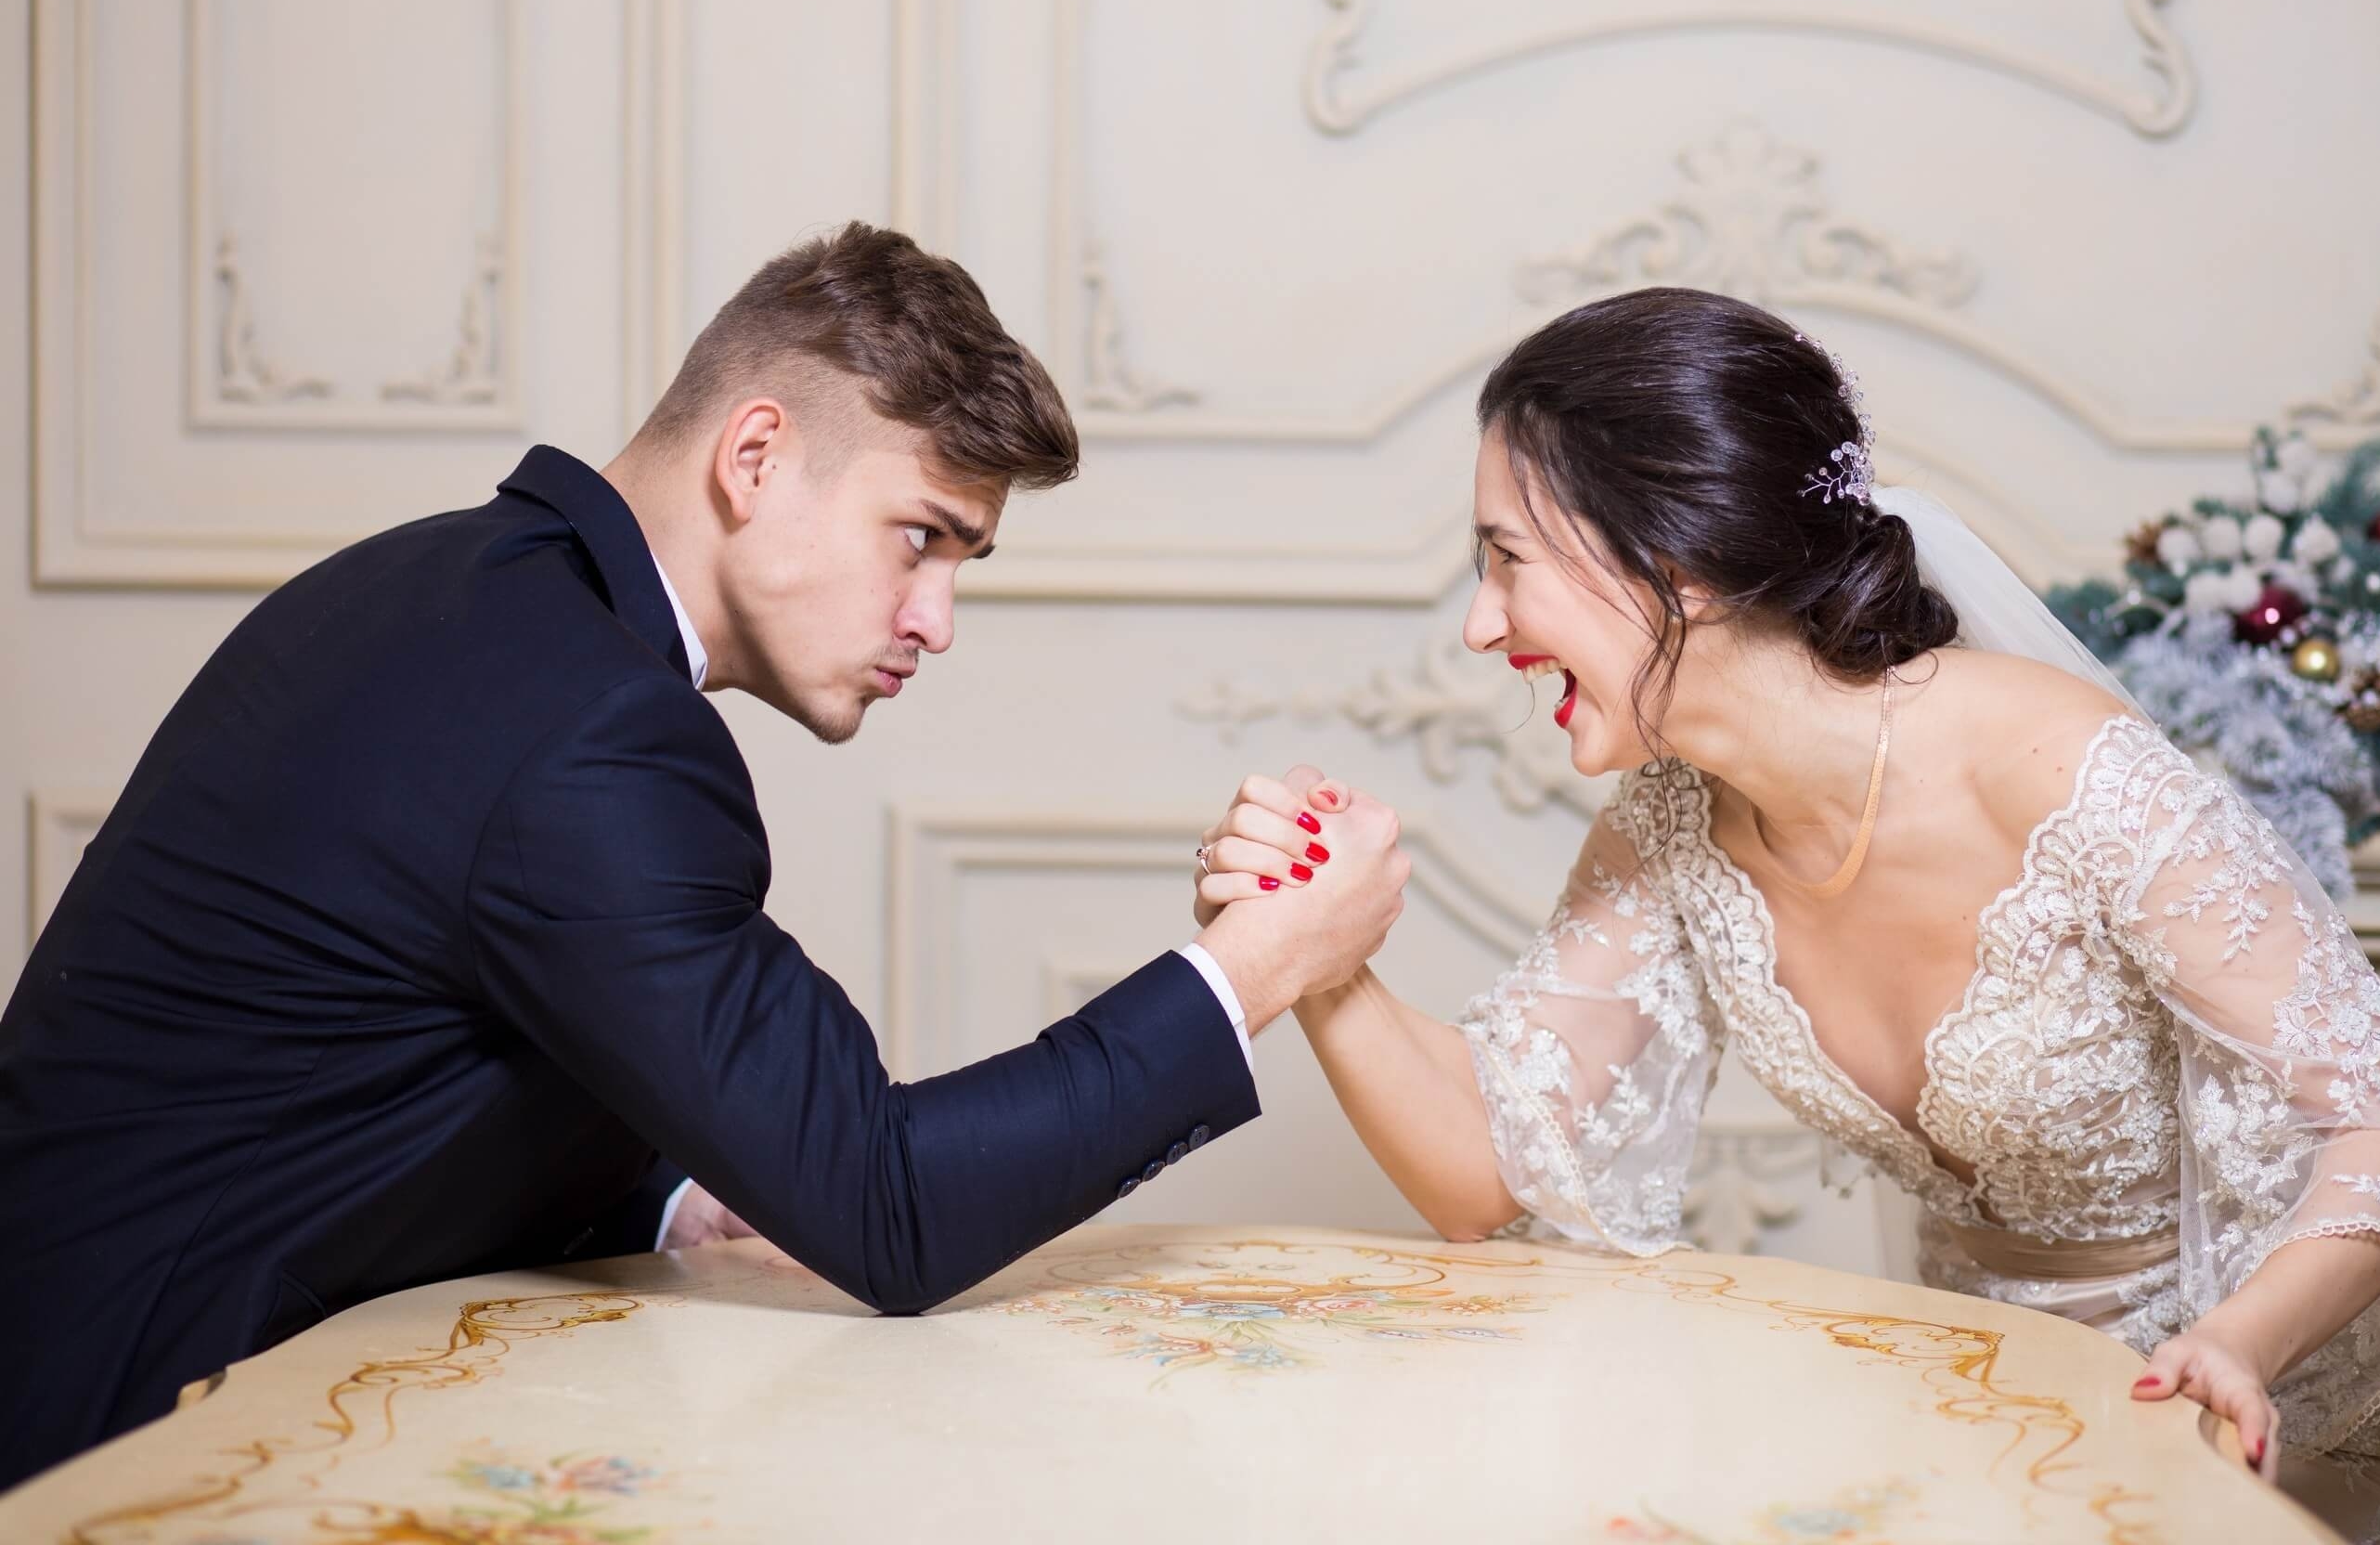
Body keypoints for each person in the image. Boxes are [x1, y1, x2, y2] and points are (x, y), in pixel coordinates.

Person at [0, 224, 1409, 1488]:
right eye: (919, 539)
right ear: (754, 458)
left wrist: (672, 1199)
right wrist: (1258, 967)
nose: (936, 619)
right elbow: (892, 1204)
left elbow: (391, 1046)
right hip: (128, 1440)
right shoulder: (590, 728)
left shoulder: (446, 593)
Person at [1198, 289, 2380, 1543]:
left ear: (1673, 567)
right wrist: (1318, 959)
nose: (1481, 627)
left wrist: (2237, 1345)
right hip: (1996, 1426)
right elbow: (1487, 1169)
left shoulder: (2061, 773)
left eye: (1508, 563)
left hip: (2261, 1431)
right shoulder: (1672, 826)